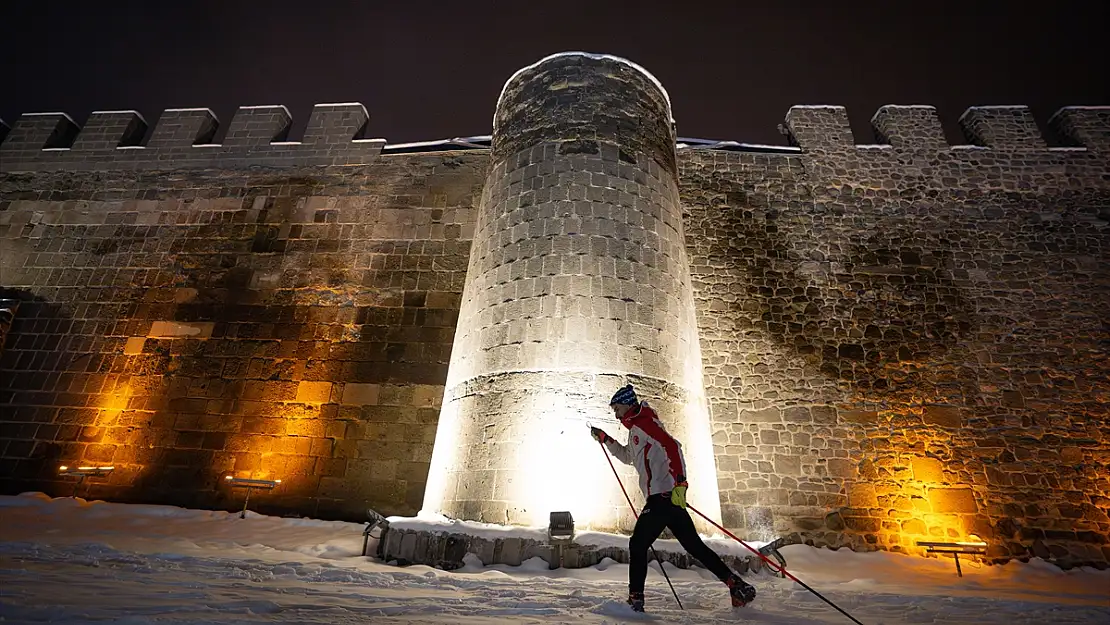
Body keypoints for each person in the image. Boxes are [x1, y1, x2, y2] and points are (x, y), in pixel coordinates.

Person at [590, 383, 757, 613]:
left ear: (627, 404)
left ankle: (635, 599)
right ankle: (735, 585)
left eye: (616, 408)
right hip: (667, 499)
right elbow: (629, 457)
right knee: (695, 547)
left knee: (637, 544)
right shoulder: (637, 428)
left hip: (662, 497)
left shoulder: (644, 423)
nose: (615, 414)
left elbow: (672, 446)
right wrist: (605, 439)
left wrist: (681, 483)